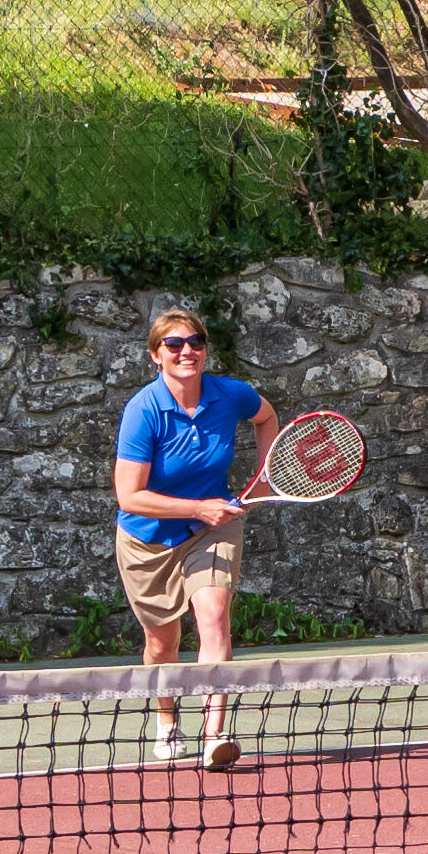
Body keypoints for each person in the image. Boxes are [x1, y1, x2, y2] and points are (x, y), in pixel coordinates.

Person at [107, 297, 259, 769]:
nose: (186, 350)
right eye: (174, 344)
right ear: (156, 354)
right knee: (162, 643)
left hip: (211, 531)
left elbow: (267, 417)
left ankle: (217, 733)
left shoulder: (231, 395)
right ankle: (168, 720)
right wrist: (197, 505)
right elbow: (129, 496)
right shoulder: (143, 410)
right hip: (146, 540)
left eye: (195, 342)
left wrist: (265, 475)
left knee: (213, 616)